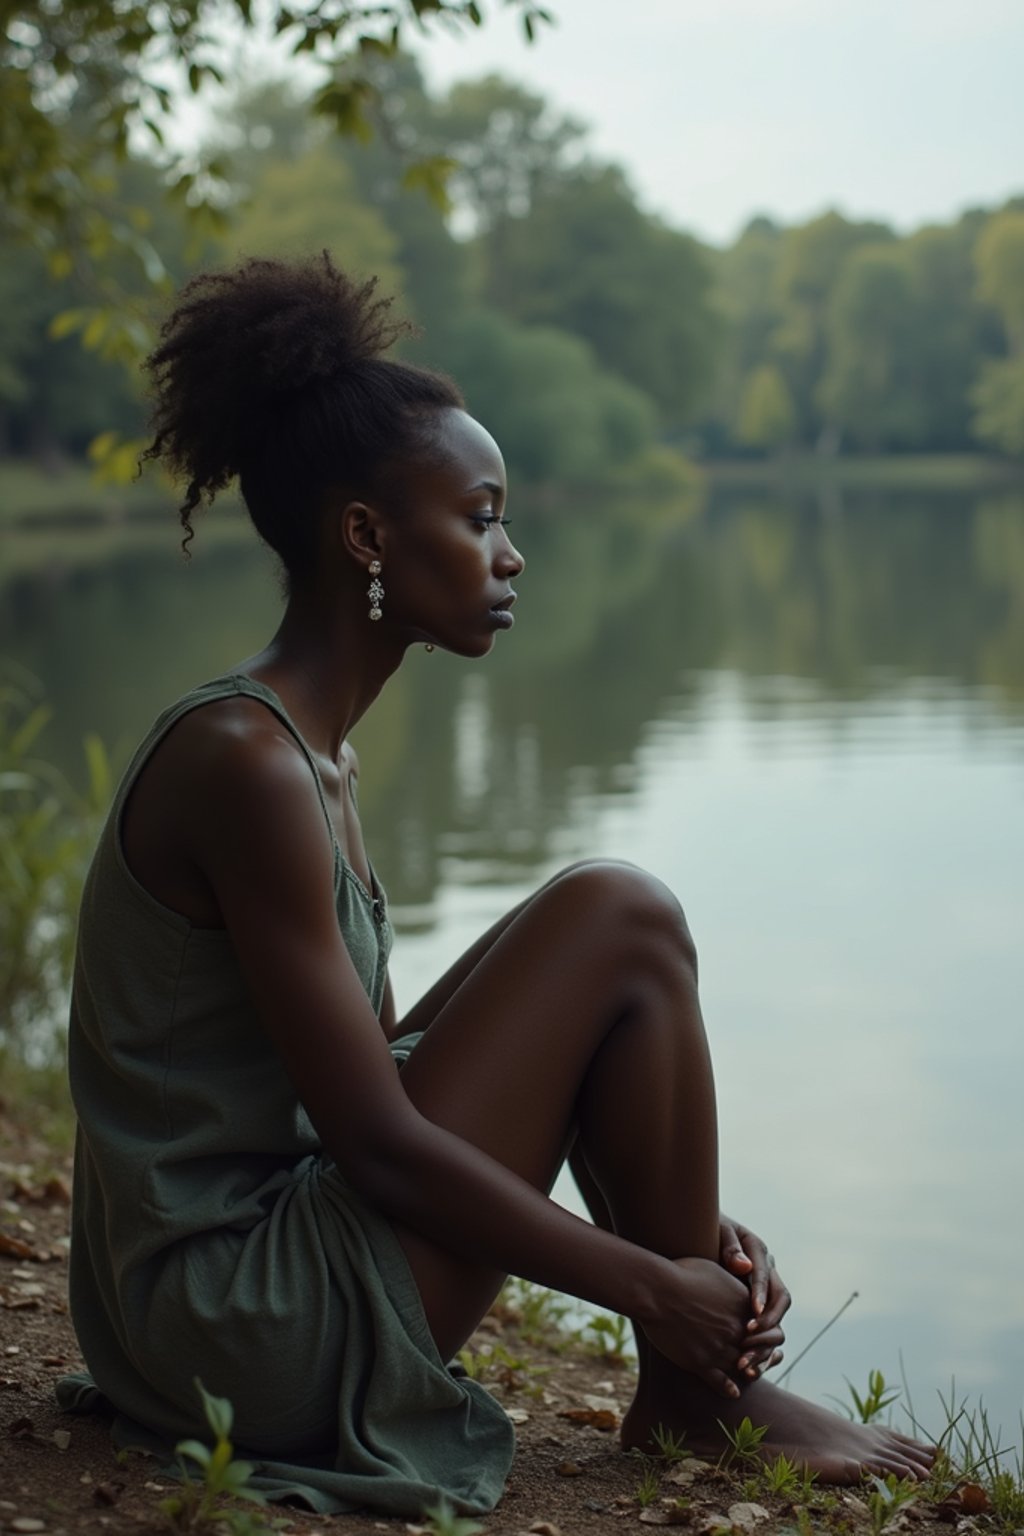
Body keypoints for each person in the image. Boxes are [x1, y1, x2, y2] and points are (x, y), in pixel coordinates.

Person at [60, 253, 934, 1516]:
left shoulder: (314, 757)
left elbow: (386, 1078)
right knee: (618, 914)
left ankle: (698, 1387)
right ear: (365, 535)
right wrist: (646, 1279)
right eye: (478, 518)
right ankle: (699, 1394)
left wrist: (680, 1222)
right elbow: (379, 1142)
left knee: (603, 934)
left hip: (213, 1306)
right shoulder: (243, 761)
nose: (510, 554)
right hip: (230, 1330)